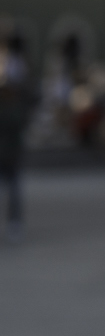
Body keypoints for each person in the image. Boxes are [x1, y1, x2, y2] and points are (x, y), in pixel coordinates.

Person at [0, 40, 34, 243]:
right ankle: (14, 223)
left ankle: (15, 223)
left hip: (10, 154)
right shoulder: (15, 108)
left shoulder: (13, 109)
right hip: (11, 153)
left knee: (13, 190)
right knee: (14, 189)